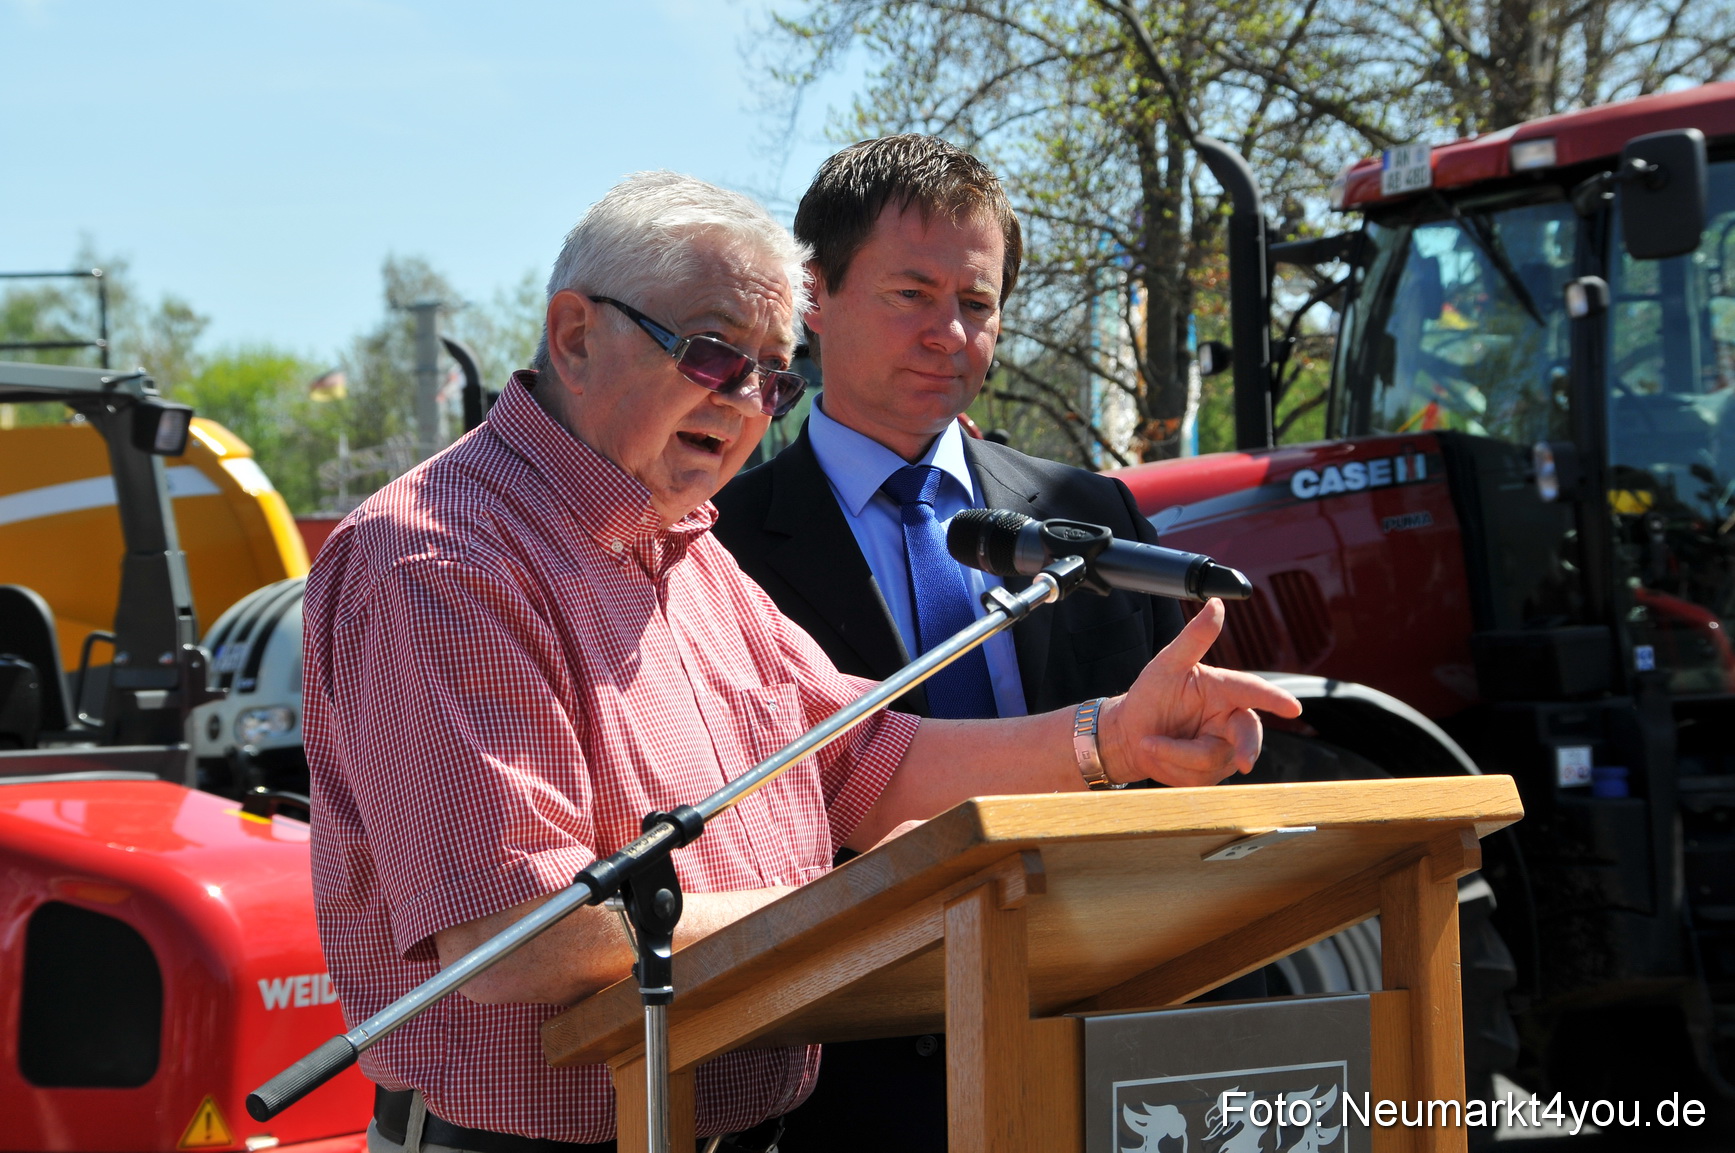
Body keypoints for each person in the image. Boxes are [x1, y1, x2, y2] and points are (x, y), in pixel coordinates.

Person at [303, 170, 1300, 1153]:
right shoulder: (440, 559)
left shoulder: (685, 549)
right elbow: (523, 932)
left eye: (770, 378)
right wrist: (888, 907)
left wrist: (1111, 736)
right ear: (574, 337)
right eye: (710, 355)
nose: (743, 402)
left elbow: (857, 763)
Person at [710, 135, 1201, 1150]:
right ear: (814, 295)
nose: (948, 333)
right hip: (843, 1079)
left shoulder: (1090, 516)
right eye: (911, 294)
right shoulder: (720, 547)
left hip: (1094, 1047)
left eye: (975, 305)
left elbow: (1169, 771)